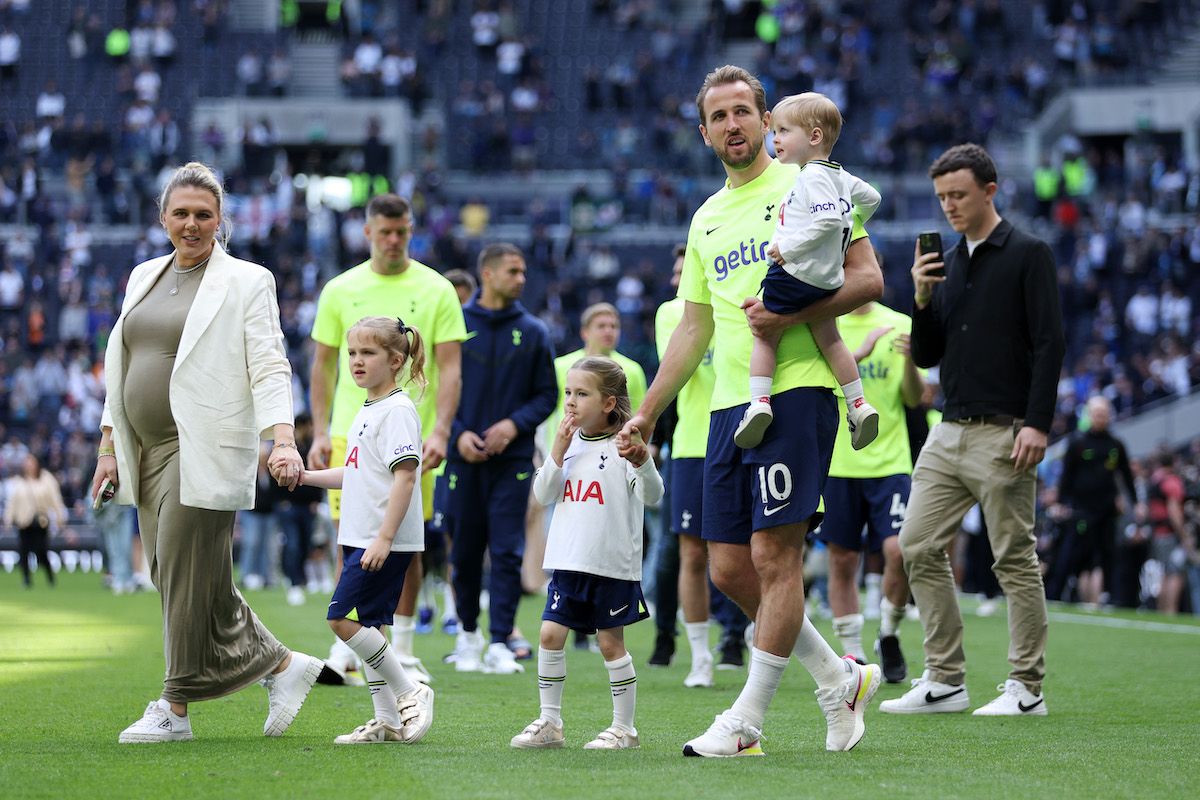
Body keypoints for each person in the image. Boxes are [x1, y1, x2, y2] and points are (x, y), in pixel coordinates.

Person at [621, 65, 884, 757]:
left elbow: (868, 279)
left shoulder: (810, 181)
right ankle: (838, 677)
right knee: (728, 570)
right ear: (704, 132)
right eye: (720, 116)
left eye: (745, 111)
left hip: (796, 392)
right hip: (729, 407)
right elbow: (692, 329)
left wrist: (790, 311)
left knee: (774, 556)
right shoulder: (706, 216)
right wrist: (647, 414)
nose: (733, 124)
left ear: (769, 122)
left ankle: (745, 724)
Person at [92, 162, 322, 744]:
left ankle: (174, 708)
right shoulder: (143, 274)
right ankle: (280, 665)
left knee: (179, 566)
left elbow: (270, 362)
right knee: (180, 573)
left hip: (205, 445)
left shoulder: (249, 280)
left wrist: (283, 439)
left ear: (221, 221)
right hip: (144, 447)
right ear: (162, 217)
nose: (191, 224)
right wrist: (108, 447)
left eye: (203, 214)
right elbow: (119, 368)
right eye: (181, 213)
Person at [880, 143, 1066, 717]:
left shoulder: (1030, 253)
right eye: (941, 198)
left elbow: (1049, 343)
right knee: (915, 545)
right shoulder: (950, 261)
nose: (949, 206)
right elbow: (930, 351)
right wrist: (920, 295)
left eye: (958, 195)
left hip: (1005, 430)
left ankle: (1026, 689)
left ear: (990, 190)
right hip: (948, 427)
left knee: (1012, 558)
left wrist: (1037, 423)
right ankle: (945, 680)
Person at [309, 193, 465, 682]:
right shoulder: (339, 289)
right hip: (348, 432)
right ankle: (350, 645)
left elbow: (451, 367)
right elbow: (323, 365)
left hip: (406, 433)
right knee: (348, 538)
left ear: (411, 230)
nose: (394, 240)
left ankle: (403, 647)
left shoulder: (437, 288)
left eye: (402, 232)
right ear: (368, 233)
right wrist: (318, 431)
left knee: (406, 541)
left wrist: (441, 427)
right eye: (385, 232)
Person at [511, 356, 663, 750]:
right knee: (548, 634)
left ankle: (624, 728)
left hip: (612, 566)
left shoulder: (625, 444)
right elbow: (543, 495)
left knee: (610, 644)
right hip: (567, 562)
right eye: (568, 393)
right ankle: (550, 722)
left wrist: (643, 461)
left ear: (609, 403)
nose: (571, 402)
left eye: (582, 394)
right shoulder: (568, 441)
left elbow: (654, 496)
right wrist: (557, 452)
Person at [299, 316, 435, 744]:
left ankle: (409, 692)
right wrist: (304, 477)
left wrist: (384, 538)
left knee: (341, 619)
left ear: (396, 360)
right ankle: (388, 722)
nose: (356, 361)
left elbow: (406, 477)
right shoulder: (369, 408)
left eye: (368, 353)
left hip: (381, 539)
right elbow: (357, 474)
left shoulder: (396, 410)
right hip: (363, 536)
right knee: (371, 627)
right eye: (352, 353)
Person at [735, 92, 882, 453]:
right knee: (829, 335)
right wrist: (853, 220)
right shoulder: (840, 175)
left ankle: (758, 403)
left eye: (784, 131)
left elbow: (828, 221)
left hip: (796, 274)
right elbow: (873, 199)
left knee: (762, 328)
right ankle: (859, 403)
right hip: (829, 278)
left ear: (814, 137)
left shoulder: (811, 175)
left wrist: (788, 248)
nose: (775, 139)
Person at [445, 243, 557, 673]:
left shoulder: (533, 332)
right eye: (514, 271)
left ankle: (500, 640)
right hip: (462, 460)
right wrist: (456, 436)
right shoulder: (455, 326)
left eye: (523, 271)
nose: (522, 278)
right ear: (488, 275)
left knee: (508, 550)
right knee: (466, 550)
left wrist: (513, 425)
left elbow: (547, 393)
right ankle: (468, 636)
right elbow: (436, 388)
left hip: (512, 461)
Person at [651, 244, 749, 685]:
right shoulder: (671, 315)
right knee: (692, 552)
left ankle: (751, 640)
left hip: (746, 434)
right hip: (693, 443)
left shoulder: (743, 300)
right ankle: (699, 658)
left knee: (751, 552)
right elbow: (678, 372)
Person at [817, 298, 925, 683]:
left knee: (899, 550)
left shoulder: (899, 324)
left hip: (890, 462)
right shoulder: (827, 322)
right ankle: (854, 653)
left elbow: (914, 398)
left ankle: (889, 633)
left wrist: (911, 361)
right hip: (839, 462)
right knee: (842, 559)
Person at [1047, 396, 1137, 604]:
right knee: (1070, 553)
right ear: (1089, 415)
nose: (1101, 418)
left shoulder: (1116, 445)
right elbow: (1066, 476)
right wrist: (1061, 502)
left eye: (1104, 414)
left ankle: (1111, 598)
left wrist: (1135, 502)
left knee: (1108, 555)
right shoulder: (1077, 442)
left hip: (1106, 510)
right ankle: (1055, 595)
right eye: (1097, 414)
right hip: (1080, 510)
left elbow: (1125, 475)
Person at [545, 303, 646, 458]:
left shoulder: (632, 370)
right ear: (584, 332)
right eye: (601, 326)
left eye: (614, 326)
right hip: (564, 452)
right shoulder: (560, 366)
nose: (609, 331)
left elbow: (640, 415)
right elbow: (547, 412)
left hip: (613, 456)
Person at [6, 453, 67, 588]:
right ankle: (26, 579)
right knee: (24, 551)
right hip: (24, 522)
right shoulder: (19, 481)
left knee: (41, 551)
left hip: (41, 521)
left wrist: (60, 517)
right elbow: (12, 502)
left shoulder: (46, 478)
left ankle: (50, 577)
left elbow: (55, 499)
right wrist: (8, 519)